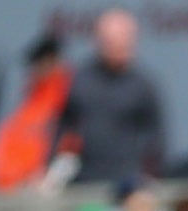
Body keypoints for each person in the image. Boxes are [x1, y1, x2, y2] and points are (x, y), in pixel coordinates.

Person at [57, 10, 168, 187]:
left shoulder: (144, 86)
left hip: (129, 185)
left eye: (126, 39)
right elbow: (61, 131)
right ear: (99, 41)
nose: (120, 46)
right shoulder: (78, 82)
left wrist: (150, 175)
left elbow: (157, 139)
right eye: (113, 41)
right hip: (84, 182)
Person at [0, 36, 72, 191]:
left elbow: (72, 147)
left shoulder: (72, 97)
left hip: (57, 189)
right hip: (21, 190)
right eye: (37, 63)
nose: (37, 69)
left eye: (46, 61)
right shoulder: (28, 105)